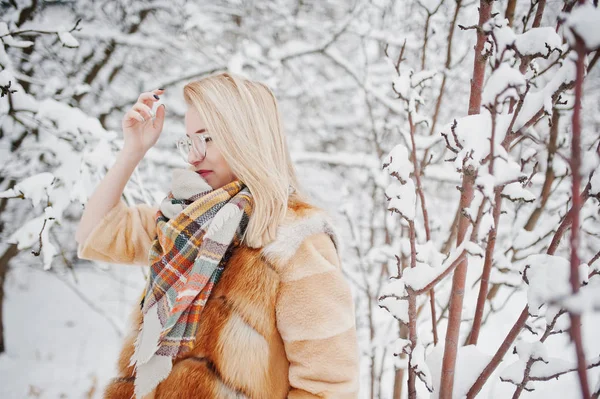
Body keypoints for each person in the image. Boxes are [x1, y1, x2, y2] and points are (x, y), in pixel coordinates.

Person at [75, 72, 360, 399]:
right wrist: (132, 151)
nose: (194, 155)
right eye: (188, 141)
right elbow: (95, 234)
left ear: (246, 136)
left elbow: (328, 387)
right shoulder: (183, 222)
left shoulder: (297, 243)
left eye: (207, 138)